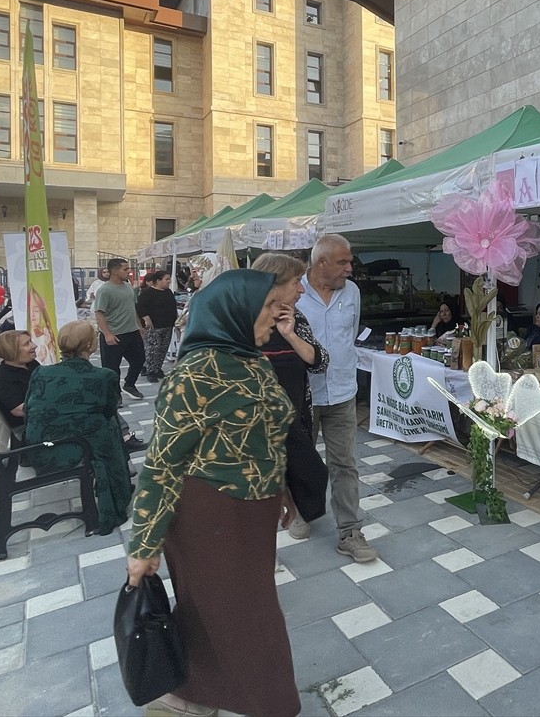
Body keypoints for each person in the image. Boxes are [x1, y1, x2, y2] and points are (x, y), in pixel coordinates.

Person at [126, 269, 300, 717]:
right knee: (244, 617)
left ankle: (189, 695)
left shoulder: (251, 358)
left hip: (252, 512)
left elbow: (267, 435)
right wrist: (144, 546)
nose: (279, 313)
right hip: (210, 513)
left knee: (222, 612)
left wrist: (279, 489)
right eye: (268, 306)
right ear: (234, 311)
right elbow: (162, 464)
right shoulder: (195, 374)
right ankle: (269, 704)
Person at [300, 233, 378, 563]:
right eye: (343, 262)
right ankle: (302, 512)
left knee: (344, 463)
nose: (350, 268)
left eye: (350, 261)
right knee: (302, 463)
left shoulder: (353, 292)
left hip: (343, 392)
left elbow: (351, 335)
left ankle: (350, 531)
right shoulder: (294, 293)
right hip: (304, 395)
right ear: (321, 262)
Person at [24, 321, 133, 534]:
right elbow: (110, 409)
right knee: (110, 426)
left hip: (40, 445)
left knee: (103, 424)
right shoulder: (104, 376)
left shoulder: (41, 373)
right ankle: (117, 495)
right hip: (78, 448)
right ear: (91, 346)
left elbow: (31, 408)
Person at [252, 252, 329, 541]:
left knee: (304, 468)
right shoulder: (244, 322)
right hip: (258, 422)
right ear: (275, 284)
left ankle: (296, 507)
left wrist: (291, 335)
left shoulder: (296, 318)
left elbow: (319, 362)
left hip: (296, 412)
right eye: (297, 281)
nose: (302, 288)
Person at [95, 258, 146, 400]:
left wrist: (139, 326)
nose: (129, 271)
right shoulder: (104, 290)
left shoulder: (128, 286)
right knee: (112, 368)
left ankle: (129, 384)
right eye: (125, 269)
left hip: (132, 332)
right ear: (115, 271)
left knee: (139, 360)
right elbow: (99, 314)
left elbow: (132, 308)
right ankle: (115, 395)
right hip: (114, 335)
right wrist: (107, 334)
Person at [0, 331, 40, 429]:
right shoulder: (0, 378)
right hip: (27, 428)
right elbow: (19, 410)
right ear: (12, 350)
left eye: (31, 341)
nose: (34, 345)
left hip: (38, 421)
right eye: (27, 344)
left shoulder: (32, 364)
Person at [136, 270, 178, 383]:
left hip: (167, 325)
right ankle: (150, 371)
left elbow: (172, 306)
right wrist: (146, 318)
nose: (169, 281)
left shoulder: (168, 292)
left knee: (163, 349)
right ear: (158, 280)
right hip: (154, 326)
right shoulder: (147, 293)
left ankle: (157, 368)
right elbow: (139, 307)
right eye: (167, 279)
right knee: (152, 349)